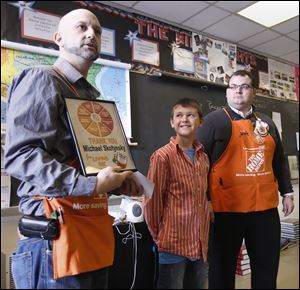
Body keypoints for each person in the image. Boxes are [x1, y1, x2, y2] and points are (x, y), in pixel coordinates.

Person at [4, 9, 142, 289]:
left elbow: (84, 163)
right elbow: (21, 156)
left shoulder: (90, 96)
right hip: (55, 236)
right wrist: (89, 185)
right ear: (58, 38)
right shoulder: (42, 80)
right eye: (82, 27)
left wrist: (116, 184)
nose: (92, 33)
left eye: (98, 30)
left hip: (91, 231)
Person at [197, 70, 294, 289]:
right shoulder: (213, 121)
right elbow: (198, 166)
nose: (238, 91)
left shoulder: (267, 123)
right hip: (225, 211)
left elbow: (278, 160)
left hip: (264, 211)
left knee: (266, 269)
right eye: (233, 86)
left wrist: (287, 192)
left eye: (244, 86)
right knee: (222, 271)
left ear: (254, 92)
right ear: (227, 91)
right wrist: (206, 200)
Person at [144, 98, 211, 289]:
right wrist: (160, 236)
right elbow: (152, 201)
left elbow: (202, 196)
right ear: (172, 122)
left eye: (191, 115)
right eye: (179, 115)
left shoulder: (203, 157)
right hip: (173, 244)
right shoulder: (162, 156)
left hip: (199, 243)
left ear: (200, 121)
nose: (185, 120)